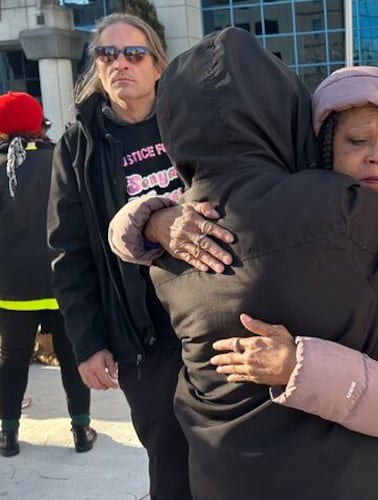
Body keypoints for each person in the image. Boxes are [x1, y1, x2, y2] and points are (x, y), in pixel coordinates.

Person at [108, 28, 378, 500]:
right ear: (304, 131)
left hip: (221, 476)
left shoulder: (175, 241)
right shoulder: (338, 212)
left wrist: (146, 218)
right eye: (357, 139)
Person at [207, 66, 378, 500]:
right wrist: (153, 220)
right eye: (358, 140)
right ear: (324, 149)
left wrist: (299, 367)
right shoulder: (296, 228)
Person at [46, 14, 190, 500]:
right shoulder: (78, 146)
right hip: (142, 336)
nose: (120, 63)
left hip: (213, 320)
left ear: (156, 65)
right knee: (169, 462)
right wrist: (87, 342)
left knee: (230, 455)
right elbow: (70, 252)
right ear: (96, 67)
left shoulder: (191, 123)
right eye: (107, 54)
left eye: (134, 53)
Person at [0, 91, 95, 457]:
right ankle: (81, 430)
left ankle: (8, 436)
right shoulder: (62, 158)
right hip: (64, 281)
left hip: (11, 287)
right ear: (41, 125)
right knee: (73, 355)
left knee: (12, 357)